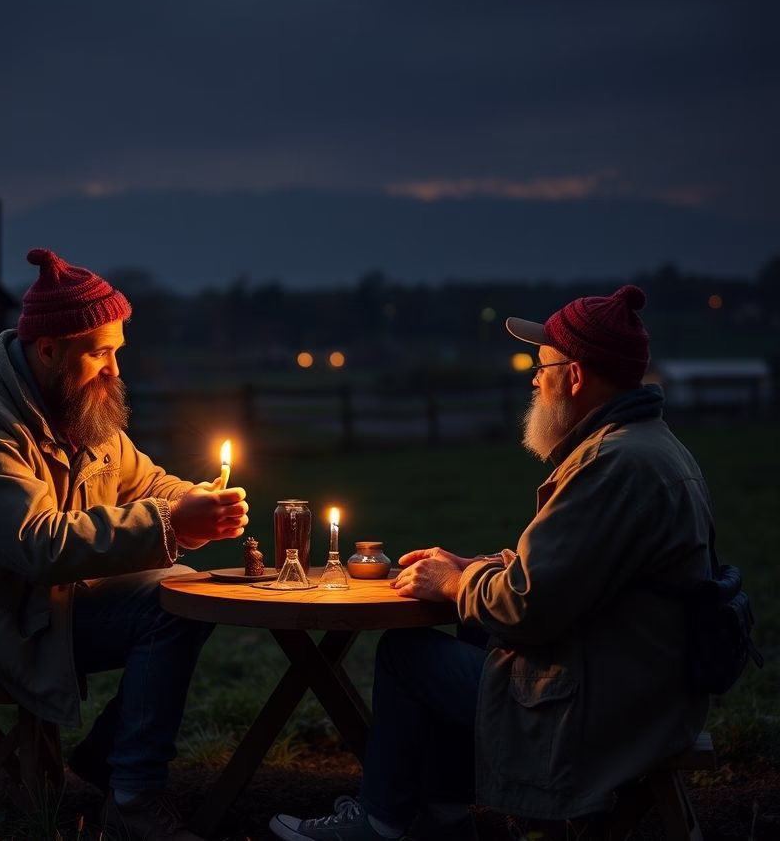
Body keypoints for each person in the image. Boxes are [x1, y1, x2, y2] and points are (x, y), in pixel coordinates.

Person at [270, 285, 712, 841]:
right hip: (639, 682)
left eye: (541, 365)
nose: (533, 378)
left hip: (608, 709)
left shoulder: (612, 463)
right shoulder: (648, 445)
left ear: (574, 376)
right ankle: (443, 817)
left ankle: (381, 822)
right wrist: (479, 565)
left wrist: (457, 580)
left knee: (408, 654)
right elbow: (586, 572)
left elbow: (528, 606)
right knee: (476, 636)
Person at [0, 248, 249, 841]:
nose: (114, 369)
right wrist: (171, 522)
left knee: (183, 594)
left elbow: (146, 481)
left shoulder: (80, 406)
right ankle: (134, 799)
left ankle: (115, 766)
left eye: (117, 351)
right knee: (170, 603)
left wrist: (197, 500)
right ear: (49, 349)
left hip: (43, 605)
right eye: (100, 353)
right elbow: (38, 543)